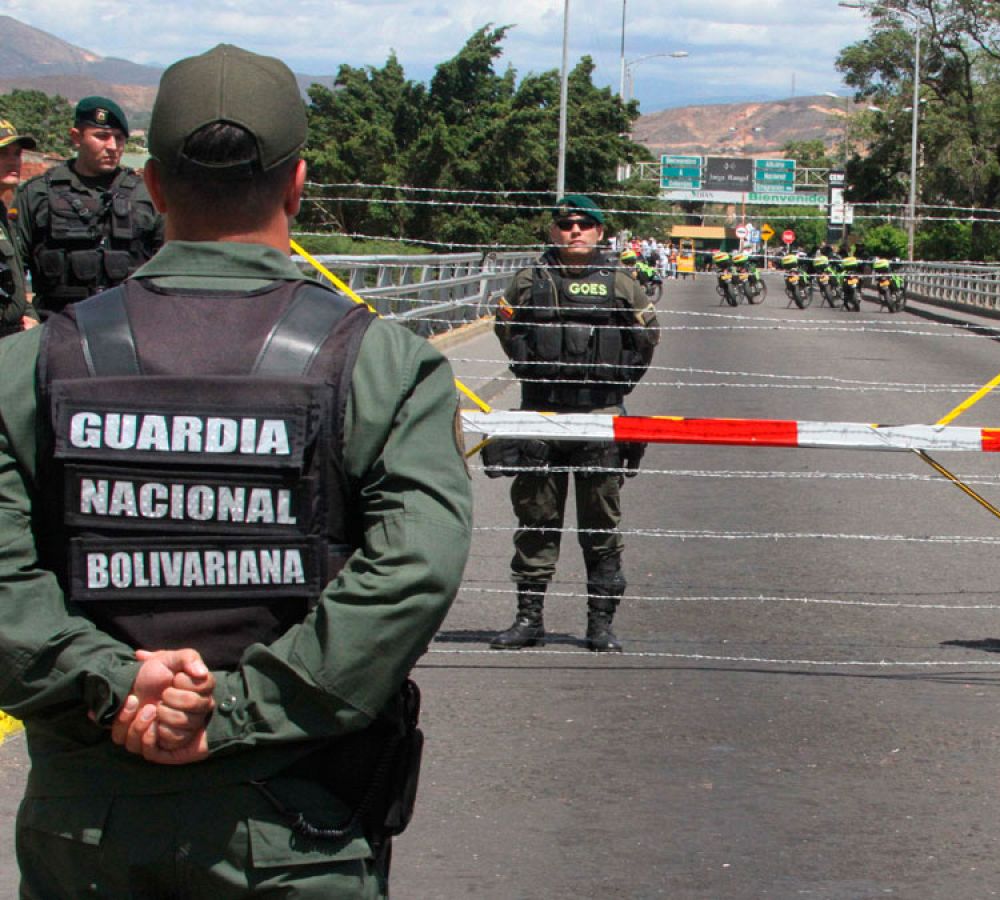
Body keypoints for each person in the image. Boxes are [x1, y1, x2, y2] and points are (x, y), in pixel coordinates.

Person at [0, 45, 472, 896]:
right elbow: (415, 567)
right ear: (297, 184)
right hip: (295, 824)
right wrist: (240, 709)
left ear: (151, 188)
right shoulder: (380, 364)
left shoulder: (33, 367)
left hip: (89, 828)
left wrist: (117, 682)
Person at [489, 194, 659, 652]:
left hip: (599, 419)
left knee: (600, 526)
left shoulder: (622, 283)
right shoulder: (529, 280)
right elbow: (507, 331)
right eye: (566, 225)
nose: (575, 231)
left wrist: (610, 388)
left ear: (600, 232)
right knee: (536, 521)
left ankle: (599, 625)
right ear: (554, 232)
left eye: (585, 224)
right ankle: (529, 621)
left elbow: (645, 338)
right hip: (542, 416)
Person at [14, 96, 164, 316]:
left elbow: (169, 263)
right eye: (101, 137)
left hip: (129, 325)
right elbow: (15, 267)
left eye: (119, 138)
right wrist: (27, 315)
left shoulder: (146, 195)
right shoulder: (37, 194)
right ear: (76, 137)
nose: (112, 146)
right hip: (56, 328)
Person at [0, 119, 38, 336]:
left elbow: (18, 281)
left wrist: (30, 316)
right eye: (3, 153)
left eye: (17, 154)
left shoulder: (4, 214)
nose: (13, 161)